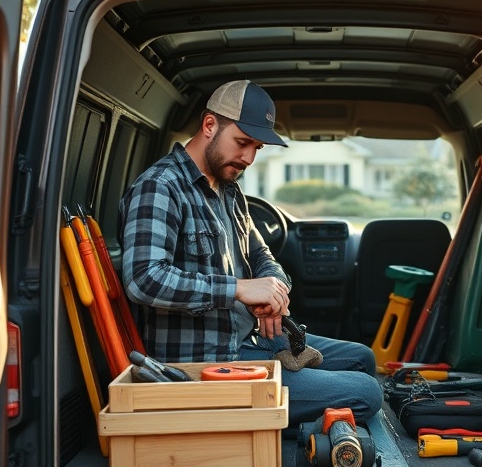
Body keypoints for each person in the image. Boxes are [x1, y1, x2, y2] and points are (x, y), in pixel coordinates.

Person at [118, 79, 383, 426]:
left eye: (257, 147)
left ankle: (283, 417)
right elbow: (143, 278)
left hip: (250, 339)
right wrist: (239, 289)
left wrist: (272, 287)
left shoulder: (229, 189)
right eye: (242, 143)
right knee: (367, 393)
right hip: (208, 363)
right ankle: (269, 432)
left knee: (363, 358)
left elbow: (261, 253)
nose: (248, 158)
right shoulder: (160, 187)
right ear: (210, 125)